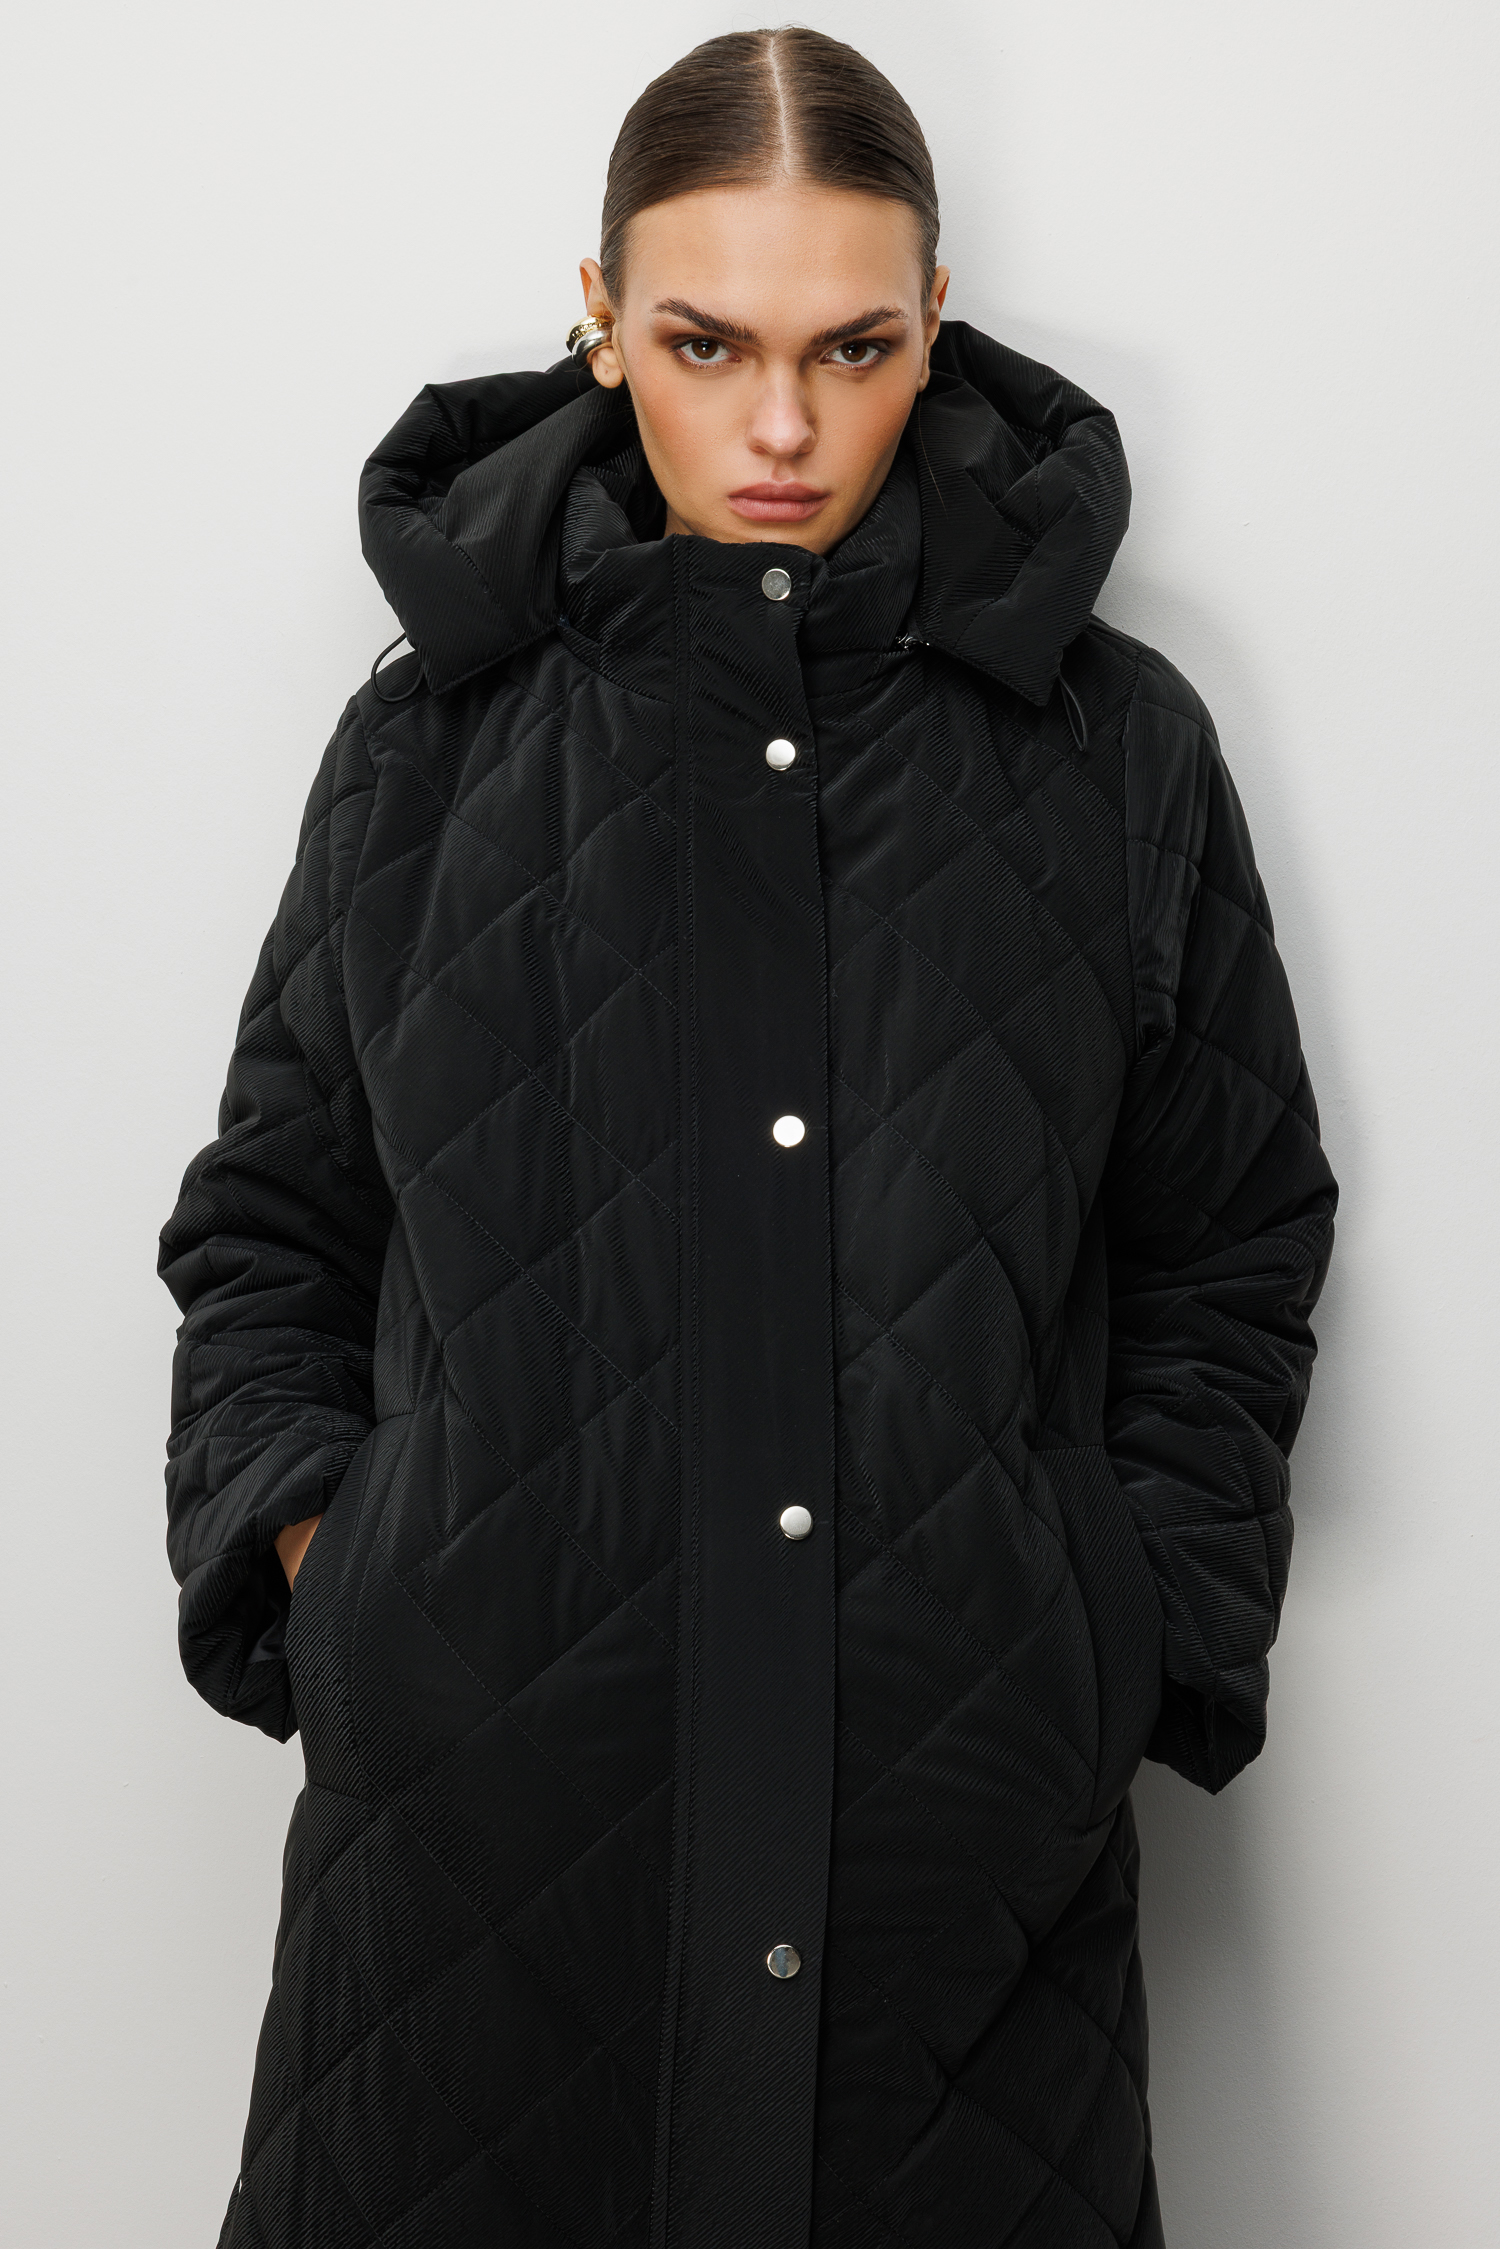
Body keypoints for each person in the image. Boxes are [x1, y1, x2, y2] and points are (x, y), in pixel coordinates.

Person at [160, 26, 1337, 2249]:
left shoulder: (1114, 754)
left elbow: (1231, 1237)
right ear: (603, 319)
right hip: (481, 1872)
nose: (780, 428)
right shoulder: (424, 756)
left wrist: (1116, 1621)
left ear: (935, 320)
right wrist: (346, 1584)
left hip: (957, 1872)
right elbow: (270, 1232)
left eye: (852, 348)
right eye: (706, 344)